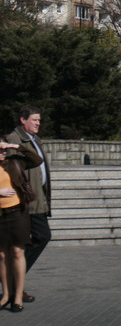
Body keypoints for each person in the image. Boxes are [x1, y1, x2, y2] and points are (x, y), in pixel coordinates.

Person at [5, 106, 51, 301]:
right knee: (40, 237)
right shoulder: (13, 140)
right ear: (23, 120)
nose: (38, 124)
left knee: (35, 240)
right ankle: (15, 282)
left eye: (39, 120)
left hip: (37, 198)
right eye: (34, 120)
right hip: (25, 201)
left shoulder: (33, 139)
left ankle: (15, 282)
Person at [0, 138, 43, 313]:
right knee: (2, 256)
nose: (2, 152)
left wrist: (14, 146)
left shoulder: (14, 162)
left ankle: (18, 297)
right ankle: (5, 295)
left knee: (17, 251)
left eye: (3, 149)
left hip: (17, 212)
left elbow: (36, 160)